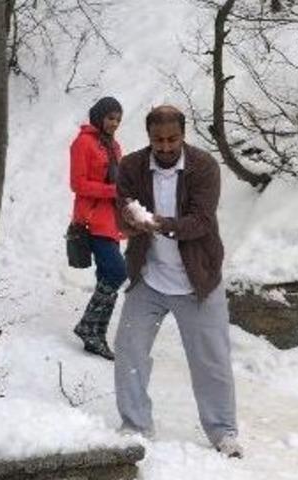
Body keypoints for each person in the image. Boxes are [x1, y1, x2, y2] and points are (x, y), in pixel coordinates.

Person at [113, 105, 241, 457]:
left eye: (173, 140)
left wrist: (160, 224)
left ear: (183, 136)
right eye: (158, 140)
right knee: (128, 350)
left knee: (211, 360)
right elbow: (120, 212)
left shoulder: (203, 166)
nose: (166, 147)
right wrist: (130, 220)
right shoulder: (132, 167)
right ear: (149, 137)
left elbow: (201, 220)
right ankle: (135, 425)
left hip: (198, 280)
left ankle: (223, 431)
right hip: (149, 279)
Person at [70, 96, 127, 360]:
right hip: (91, 220)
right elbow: (78, 184)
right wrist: (112, 191)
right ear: (99, 116)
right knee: (117, 272)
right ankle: (89, 327)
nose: (114, 123)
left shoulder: (115, 147)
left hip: (111, 222)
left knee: (109, 276)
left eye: (117, 119)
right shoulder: (83, 143)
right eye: (110, 118)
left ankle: (95, 333)